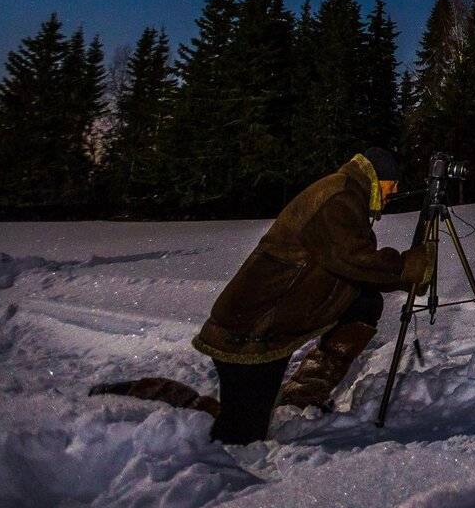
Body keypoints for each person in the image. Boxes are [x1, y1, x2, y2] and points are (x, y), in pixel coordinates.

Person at [92, 148, 429, 443]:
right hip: (249, 331)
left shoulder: (347, 194)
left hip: (274, 321)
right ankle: (142, 396)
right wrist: (406, 268)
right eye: (392, 184)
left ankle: (301, 396)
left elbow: (344, 266)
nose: (394, 191)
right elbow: (352, 259)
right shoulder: (338, 197)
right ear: (376, 178)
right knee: (240, 434)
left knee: (364, 302)